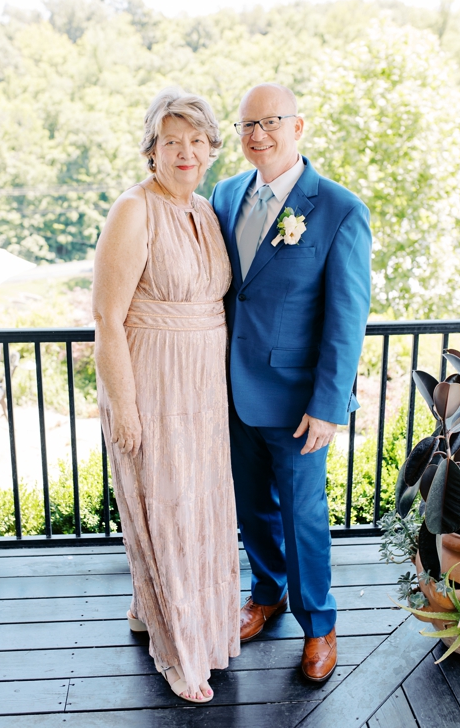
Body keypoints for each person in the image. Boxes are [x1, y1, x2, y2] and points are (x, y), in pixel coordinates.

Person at [210, 83, 371, 682]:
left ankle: (320, 626)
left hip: (300, 403)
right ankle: (267, 592)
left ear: (298, 126)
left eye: (270, 122)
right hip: (231, 394)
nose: (257, 135)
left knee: (304, 518)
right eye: (246, 125)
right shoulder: (223, 195)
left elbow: (346, 319)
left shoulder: (338, 209)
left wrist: (329, 404)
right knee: (251, 508)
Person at [94, 87, 239, 704]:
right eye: (172, 141)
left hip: (203, 389)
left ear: (210, 150)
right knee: (166, 509)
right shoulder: (134, 210)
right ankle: (179, 653)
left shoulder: (206, 210)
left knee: (195, 510)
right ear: (151, 150)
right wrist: (123, 406)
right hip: (151, 383)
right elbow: (105, 318)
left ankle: (151, 608)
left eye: (197, 141)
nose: (186, 152)